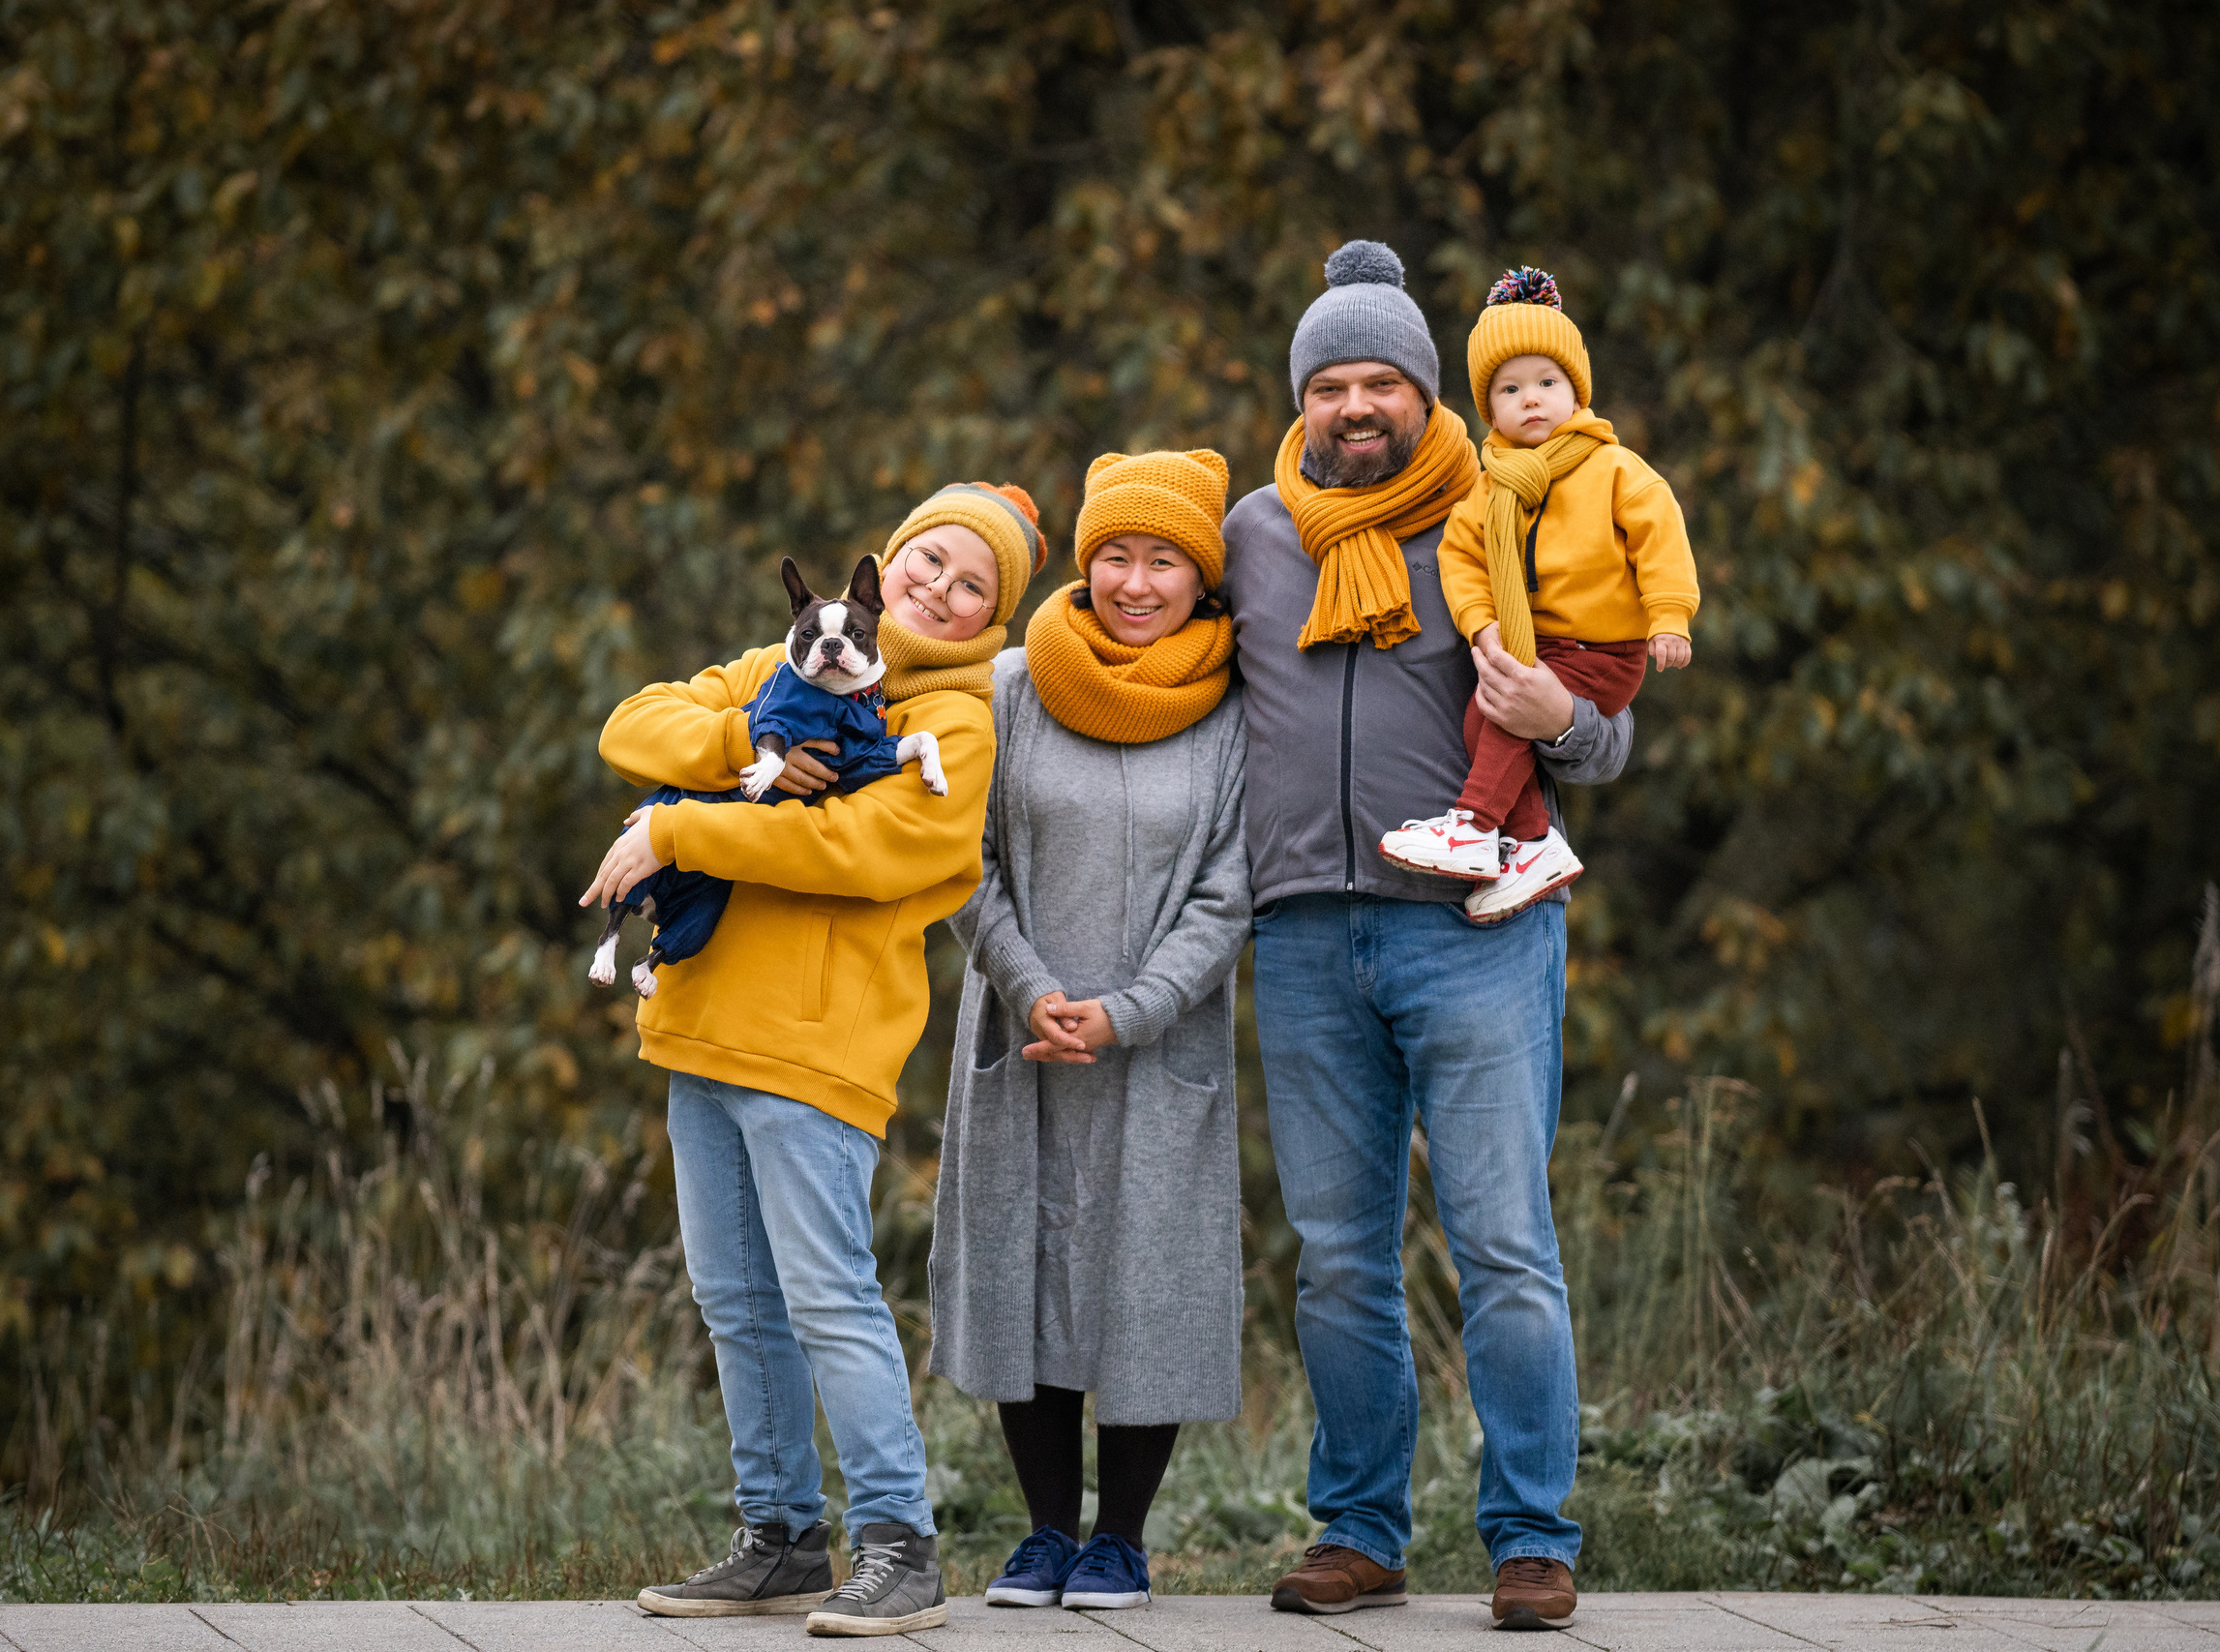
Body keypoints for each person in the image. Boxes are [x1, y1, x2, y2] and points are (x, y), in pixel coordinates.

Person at [1217, 239, 1635, 1633]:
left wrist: (1559, 725)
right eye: (1329, 381)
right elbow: (1132, 646)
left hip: (1476, 926)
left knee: (1504, 1239)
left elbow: (1610, 721)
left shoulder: (1511, 505)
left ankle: (1531, 1538)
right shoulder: (1255, 536)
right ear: (1301, 397)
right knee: (1338, 1254)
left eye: (1381, 380)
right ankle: (1361, 1530)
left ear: (1424, 389)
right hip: (1302, 934)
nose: (1354, 406)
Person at [588, 481, 1047, 1637]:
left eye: (971, 582)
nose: (938, 587)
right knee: (737, 1301)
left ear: (993, 614)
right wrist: (748, 738)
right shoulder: (791, 666)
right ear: (883, 564)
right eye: (927, 560)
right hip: (701, 1029)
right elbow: (635, 722)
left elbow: (864, 846)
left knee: (828, 1300)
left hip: (815, 1046)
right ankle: (780, 1537)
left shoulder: (952, 723)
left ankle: (900, 1543)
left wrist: (674, 827)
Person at [930, 448, 1250, 1614]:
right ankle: (1042, 1535)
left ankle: (1120, 1540)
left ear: (1199, 579)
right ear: (1082, 563)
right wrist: (1027, 985)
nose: (1133, 580)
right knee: (1026, 1270)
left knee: (1146, 1279)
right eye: (1113, 553)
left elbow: (1230, 891)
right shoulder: (1010, 686)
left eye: (1162, 560)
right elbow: (959, 855)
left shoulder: (1230, 713)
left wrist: (1127, 1012)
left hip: (1158, 1045)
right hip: (1022, 1035)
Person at [1377, 266, 1699, 921]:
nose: (1532, 400)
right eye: (1511, 388)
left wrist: (1670, 616)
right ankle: (1531, 845)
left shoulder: (1611, 468)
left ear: (1576, 391)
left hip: (1601, 648)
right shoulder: (1491, 486)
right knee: (1483, 717)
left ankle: (1474, 824)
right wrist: (1481, 627)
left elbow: (1659, 537)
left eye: (1547, 383)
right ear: (1487, 408)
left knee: (1500, 718)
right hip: (1535, 643)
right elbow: (1461, 558)